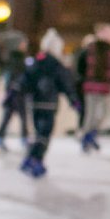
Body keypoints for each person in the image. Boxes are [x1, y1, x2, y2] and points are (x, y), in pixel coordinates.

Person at [17, 29, 79, 177]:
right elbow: (65, 83)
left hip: (35, 103)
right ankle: (35, 159)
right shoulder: (56, 64)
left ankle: (30, 158)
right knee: (44, 135)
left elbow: (25, 78)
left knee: (39, 133)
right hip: (49, 104)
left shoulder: (36, 61)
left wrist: (17, 89)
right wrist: (73, 99)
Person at [79, 22, 110, 152]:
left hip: (103, 87)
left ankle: (91, 135)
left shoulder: (108, 51)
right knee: (92, 114)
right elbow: (82, 66)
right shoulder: (92, 49)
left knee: (102, 114)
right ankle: (87, 136)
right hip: (92, 86)